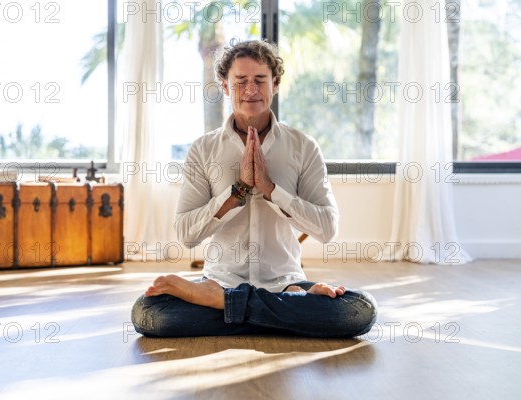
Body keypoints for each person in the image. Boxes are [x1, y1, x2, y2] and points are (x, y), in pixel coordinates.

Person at [131, 40, 377, 338]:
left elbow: (327, 229)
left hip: (284, 280)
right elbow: (187, 234)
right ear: (224, 86)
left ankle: (225, 306)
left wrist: (270, 189)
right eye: (241, 81)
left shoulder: (303, 146)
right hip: (221, 278)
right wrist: (239, 190)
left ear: (275, 84)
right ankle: (284, 311)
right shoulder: (203, 149)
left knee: (359, 310)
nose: (251, 90)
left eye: (260, 80)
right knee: (148, 313)